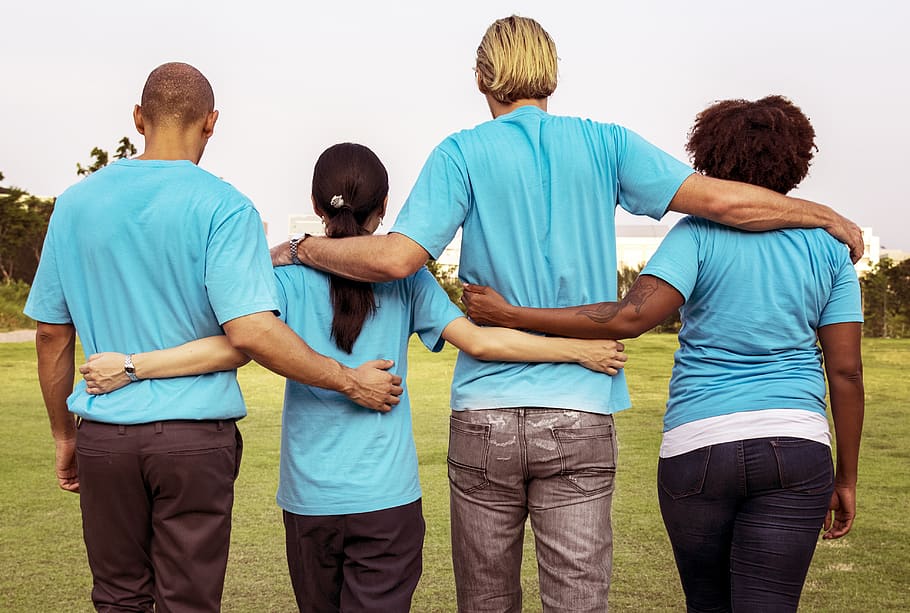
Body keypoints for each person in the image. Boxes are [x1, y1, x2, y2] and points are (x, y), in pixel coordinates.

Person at [269, 17, 864, 612]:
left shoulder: (461, 152)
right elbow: (723, 200)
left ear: (482, 78)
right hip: (580, 409)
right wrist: (823, 215)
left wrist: (301, 248)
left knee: (485, 604)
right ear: (553, 74)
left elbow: (397, 258)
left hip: (485, 415)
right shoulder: (607, 143)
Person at [79, 142, 629, 612]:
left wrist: (132, 366)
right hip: (387, 500)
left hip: (309, 503)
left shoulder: (284, 279)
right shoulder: (408, 283)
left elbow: (235, 343)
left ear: (316, 205)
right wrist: (575, 352)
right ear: (385, 206)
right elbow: (482, 341)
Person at [461, 95, 864, 612]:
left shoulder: (695, 236)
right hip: (796, 444)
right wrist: (846, 477)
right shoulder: (829, 248)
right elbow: (846, 372)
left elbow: (630, 316)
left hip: (699, 447)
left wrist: (515, 315)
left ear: (711, 157)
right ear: (797, 159)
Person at [24, 63, 402, 612]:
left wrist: (65, 436)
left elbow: (51, 337)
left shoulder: (75, 205)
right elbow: (251, 332)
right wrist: (348, 380)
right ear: (211, 122)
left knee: (116, 597)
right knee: (190, 602)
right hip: (195, 439)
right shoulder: (227, 208)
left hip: (104, 432)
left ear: (137, 118)